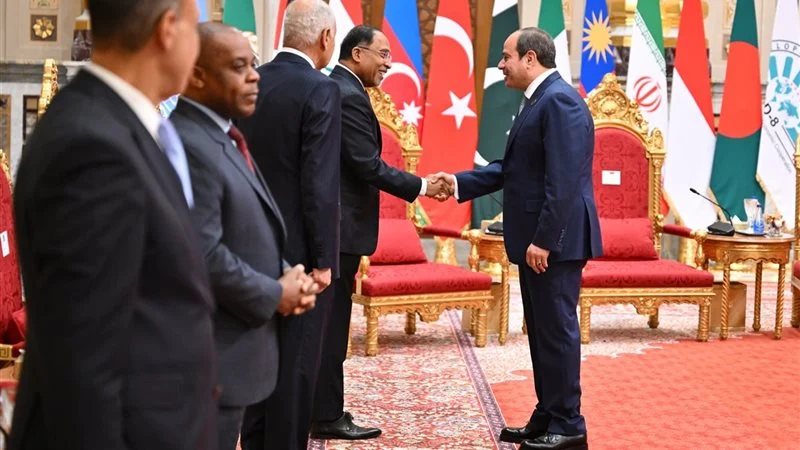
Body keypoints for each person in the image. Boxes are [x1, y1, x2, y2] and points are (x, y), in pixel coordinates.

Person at [9, 0, 219, 449]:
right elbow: (83, 367)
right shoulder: (91, 147)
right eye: (195, 27)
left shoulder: (121, 124)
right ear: (167, 29)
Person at [433, 28, 601, 450]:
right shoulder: (540, 99)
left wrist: (544, 240)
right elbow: (513, 169)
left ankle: (569, 425)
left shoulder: (559, 101)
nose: (501, 65)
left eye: (506, 57)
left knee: (557, 332)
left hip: (554, 243)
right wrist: (457, 182)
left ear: (530, 58)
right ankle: (548, 413)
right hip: (539, 242)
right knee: (543, 332)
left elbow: (563, 181)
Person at [170, 23, 320, 450]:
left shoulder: (222, 135)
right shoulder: (189, 145)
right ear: (196, 75)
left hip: (237, 351)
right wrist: (275, 293)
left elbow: (245, 226)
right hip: (209, 358)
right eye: (239, 67)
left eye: (253, 65)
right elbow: (201, 253)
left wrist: (288, 273)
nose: (255, 76)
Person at [309, 24, 451, 441]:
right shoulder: (347, 93)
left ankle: (321, 407)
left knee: (329, 326)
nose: (390, 63)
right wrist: (422, 186)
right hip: (339, 230)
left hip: (335, 227)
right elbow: (366, 165)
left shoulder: (340, 88)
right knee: (332, 328)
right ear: (357, 53)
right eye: (383, 54)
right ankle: (326, 414)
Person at [235, 1, 341, 449]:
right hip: (299, 254)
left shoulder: (252, 81)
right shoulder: (321, 89)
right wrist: (324, 259)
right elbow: (319, 182)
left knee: (256, 359)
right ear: (325, 38)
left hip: (247, 246)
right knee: (295, 369)